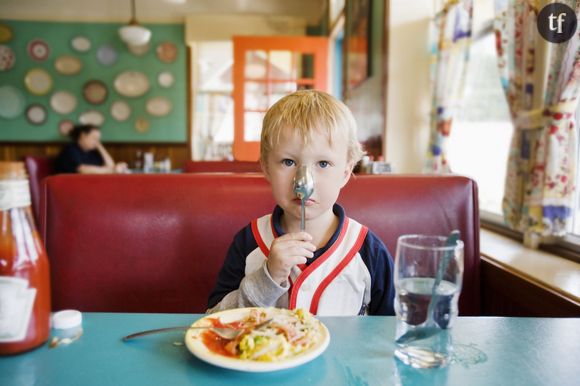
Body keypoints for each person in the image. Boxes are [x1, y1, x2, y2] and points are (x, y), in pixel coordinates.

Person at [207, 90, 395, 316]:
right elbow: (214, 319)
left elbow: (388, 331)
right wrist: (267, 277)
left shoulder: (369, 251)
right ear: (266, 167)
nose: (303, 180)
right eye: (288, 162)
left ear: (345, 172)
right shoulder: (248, 242)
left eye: (323, 164)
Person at [55, 125, 127, 174]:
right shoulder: (70, 149)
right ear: (82, 135)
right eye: (94, 138)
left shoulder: (93, 152)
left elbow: (111, 165)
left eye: (98, 139)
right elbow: (82, 170)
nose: (97, 141)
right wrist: (113, 170)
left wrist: (100, 147)